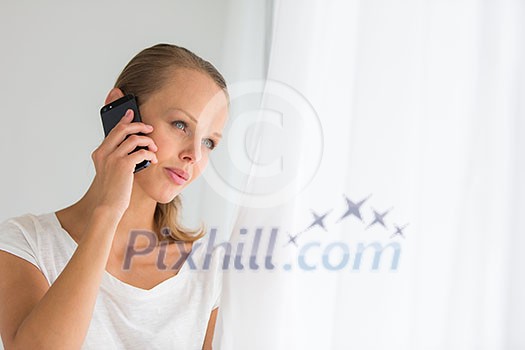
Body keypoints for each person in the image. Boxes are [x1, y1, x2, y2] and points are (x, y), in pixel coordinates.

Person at [0, 43, 229, 349]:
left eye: (209, 142)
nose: (193, 155)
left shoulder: (209, 270)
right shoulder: (25, 244)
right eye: (179, 125)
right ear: (123, 111)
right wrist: (108, 211)